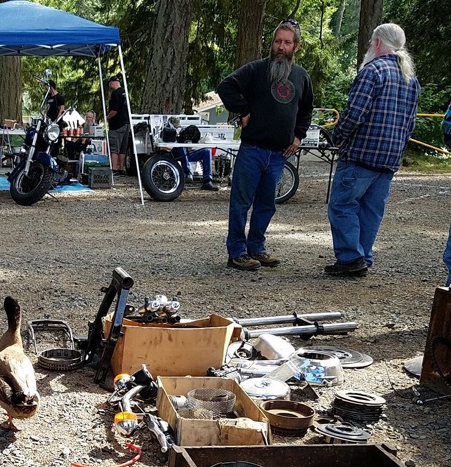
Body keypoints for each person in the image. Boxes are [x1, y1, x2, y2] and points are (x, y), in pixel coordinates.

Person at [216, 20, 313, 271]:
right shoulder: (256, 70)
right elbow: (226, 86)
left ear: (296, 46)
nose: (281, 47)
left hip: (279, 154)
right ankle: (237, 251)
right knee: (241, 203)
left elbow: (306, 109)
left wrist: (298, 136)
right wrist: (243, 110)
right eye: (278, 41)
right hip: (253, 149)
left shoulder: (302, 76)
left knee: (266, 205)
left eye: (287, 42)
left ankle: (256, 248)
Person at [326, 23, 421, 277]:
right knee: (370, 210)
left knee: (342, 205)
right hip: (389, 158)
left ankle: (350, 257)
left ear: (378, 43)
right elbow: (410, 122)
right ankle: (362, 256)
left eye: (371, 42)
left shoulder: (373, 71)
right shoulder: (410, 78)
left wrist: (337, 137)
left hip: (361, 154)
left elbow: (355, 113)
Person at [168, 118, 219, 191]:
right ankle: (188, 172)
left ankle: (208, 181)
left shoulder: (183, 132)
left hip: (186, 154)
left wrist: (189, 145)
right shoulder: (166, 131)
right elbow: (164, 147)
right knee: (181, 147)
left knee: (207, 151)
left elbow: (191, 144)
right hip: (174, 154)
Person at [106, 76, 130, 174]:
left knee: (114, 148)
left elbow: (114, 111)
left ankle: (114, 169)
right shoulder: (125, 93)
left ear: (112, 83)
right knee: (123, 148)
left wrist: (106, 117)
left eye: (110, 84)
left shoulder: (115, 94)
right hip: (126, 123)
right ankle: (122, 168)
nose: (110, 87)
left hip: (117, 125)